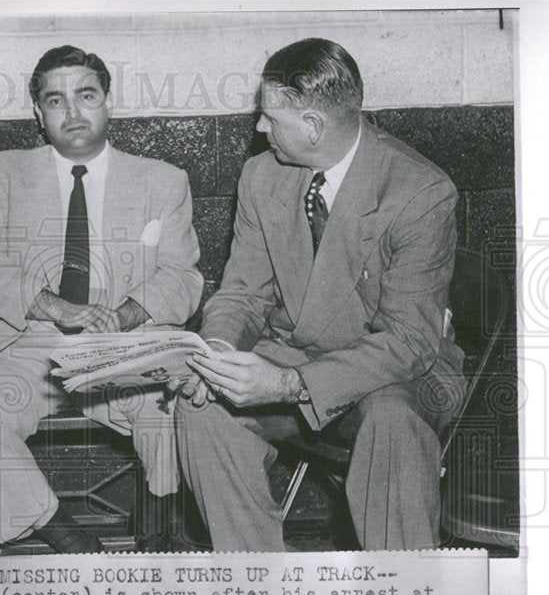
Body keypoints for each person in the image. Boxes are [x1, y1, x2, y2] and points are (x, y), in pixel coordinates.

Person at [177, 38, 466, 552]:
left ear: (312, 125)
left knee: (391, 422)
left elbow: (409, 342)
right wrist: (216, 353)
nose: (259, 129)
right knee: (199, 409)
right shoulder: (261, 176)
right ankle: (258, 588)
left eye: (269, 118)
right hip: (293, 355)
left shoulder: (420, 191)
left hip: (394, 371)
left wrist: (290, 383)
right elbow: (243, 292)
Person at [0, 45, 202, 553]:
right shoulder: (3, 172)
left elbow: (182, 276)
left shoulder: (163, 181)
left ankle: (157, 535)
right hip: (27, 339)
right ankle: (72, 541)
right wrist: (56, 307)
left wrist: (125, 314)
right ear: (38, 113)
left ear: (108, 102)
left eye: (86, 95)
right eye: (56, 101)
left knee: (172, 409)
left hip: (127, 342)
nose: (73, 112)